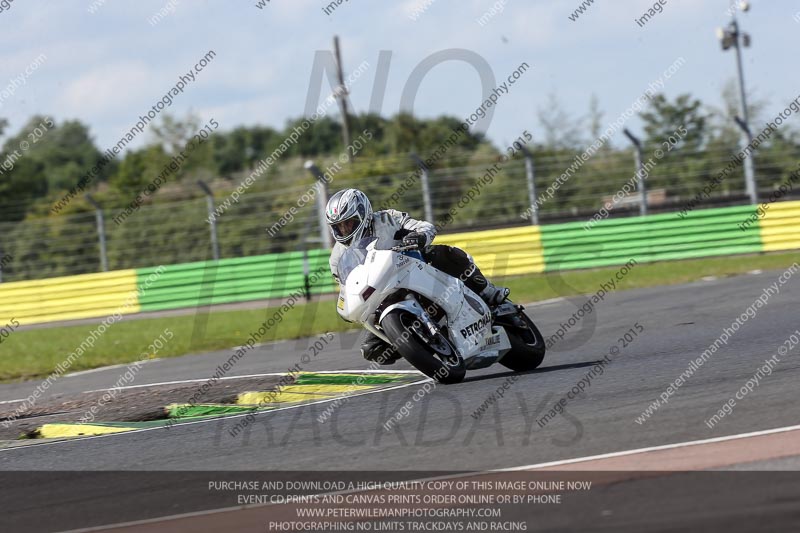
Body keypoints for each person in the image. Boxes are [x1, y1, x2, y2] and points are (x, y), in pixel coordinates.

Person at [326, 188, 510, 364]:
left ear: (362, 213)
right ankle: (423, 344)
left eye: (348, 223)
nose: (344, 230)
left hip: (415, 269)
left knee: (443, 254)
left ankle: (489, 292)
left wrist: (419, 237)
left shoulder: (387, 218)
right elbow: (347, 287)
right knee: (371, 349)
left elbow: (424, 227)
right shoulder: (337, 258)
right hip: (382, 295)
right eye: (338, 227)